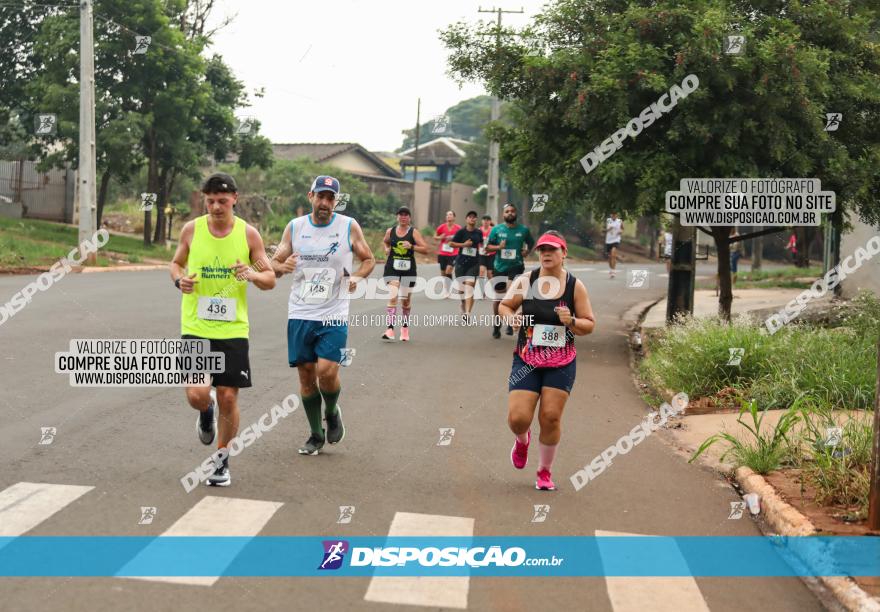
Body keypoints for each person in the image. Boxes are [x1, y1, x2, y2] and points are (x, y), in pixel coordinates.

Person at [170, 172, 276, 487]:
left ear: (234, 199)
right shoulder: (191, 230)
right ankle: (206, 411)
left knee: (229, 395)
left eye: (222, 200)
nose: (216, 206)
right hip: (196, 325)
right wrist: (179, 280)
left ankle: (221, 460)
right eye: (211, 200)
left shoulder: (249, 235)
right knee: (197, 393)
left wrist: (252, 275)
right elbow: (175, 263)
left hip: (232, 329)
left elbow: (269, 278)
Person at [271, 175, 376, 456]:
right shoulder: (295, 228)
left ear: (336, 201)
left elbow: (369, 259)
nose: (326, 202)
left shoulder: (348, 226)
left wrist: (357, 276)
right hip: (301, 311)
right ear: (311, 196)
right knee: (306, 377)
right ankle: (316, 435)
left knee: (327, 373)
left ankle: (332, 410)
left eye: (331, 198)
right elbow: (273, 263)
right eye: (321, 196)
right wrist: (283, 265)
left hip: (334, 312)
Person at [498, 230, 595, 491]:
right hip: (527, 359)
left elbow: (589, 325)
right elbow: (504, 306)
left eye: (552, 249)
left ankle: (544, 471)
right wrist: (511, 318)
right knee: (518, 418)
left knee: (550, 417)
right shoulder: (526, 280)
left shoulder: (575, 286)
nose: (546, 254)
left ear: (564, 254)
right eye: (542, 250)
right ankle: (522, 440)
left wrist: (572, 321)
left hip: (561, 361)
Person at [486, 204, 535, 338]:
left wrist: (527, 251)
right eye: (507, 211)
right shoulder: (496, 229)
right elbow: (487, 248)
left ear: (516, 213)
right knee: (499, 298)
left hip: (517, 265)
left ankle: (510, 321)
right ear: (503, 214)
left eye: (512, 211)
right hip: (500, 267)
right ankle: (497, 325)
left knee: (510, 293)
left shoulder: (523, 230)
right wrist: (498, 247)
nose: (510, 213)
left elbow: (531, 243)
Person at [381, 206, 428, 341]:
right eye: (401, 214)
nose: (403, 217)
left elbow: (425, 249)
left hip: (408, 270)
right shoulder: (390, 231)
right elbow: (385, 242)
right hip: (392, 268)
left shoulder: (414, 233)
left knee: (405, 301)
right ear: (397, 217)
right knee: (393, 295)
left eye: (406, 215)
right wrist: (387, 248)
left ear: (409, 218)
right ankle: (390, 329)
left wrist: (412, 246)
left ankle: (405, 328)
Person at [448, 211, 484, 320]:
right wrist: (463, 245)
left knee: (469, 288)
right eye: (470, 217)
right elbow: (451, 244)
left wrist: (484, 251)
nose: (472, 219)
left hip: (474, 263)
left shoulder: (479, 232)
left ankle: (468, 313)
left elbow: (481, 245)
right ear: (466, 219)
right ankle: (463, 303)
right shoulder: (461, 232)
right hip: (461, 263)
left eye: (474, 217)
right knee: (462, 290)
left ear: (476, 219)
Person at [433, 211, 461, 291]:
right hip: (442, 252)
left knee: (449, 270)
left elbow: (462, 238)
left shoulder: (458, 228)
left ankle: (448, 289)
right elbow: (435, 236)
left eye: (450, 215)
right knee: (443, 273)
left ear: (454, 217)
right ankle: (446, 287)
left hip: (454, 253)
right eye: (447, 215)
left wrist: (455, 239)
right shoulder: (441, 227)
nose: (448, 216)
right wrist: (440, 237)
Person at [605, 212, 623, 278]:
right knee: (610, 257)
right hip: (608, 240)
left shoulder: (620, 221)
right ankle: (611, 269)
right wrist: (609, 229)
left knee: (613, 254)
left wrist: (621, 231)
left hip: (616, 240)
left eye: (615, 214)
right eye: (612, 214)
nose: (613, 215)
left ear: (617, 215)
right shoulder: (608, 220)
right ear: (611, 215)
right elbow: (606, 230)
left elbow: (622, 228)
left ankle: (613, 271)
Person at [478, 214, 495, 280]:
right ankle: (482, 290)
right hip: (481, 254)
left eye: (487, 220)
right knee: (481, 271)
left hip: (491, 254)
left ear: (490, 221)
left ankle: (492, 289)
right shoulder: (478, 230)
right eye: (484, 220)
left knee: (489, 274)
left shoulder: (493, 230)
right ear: (482, 221)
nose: (486, 221)